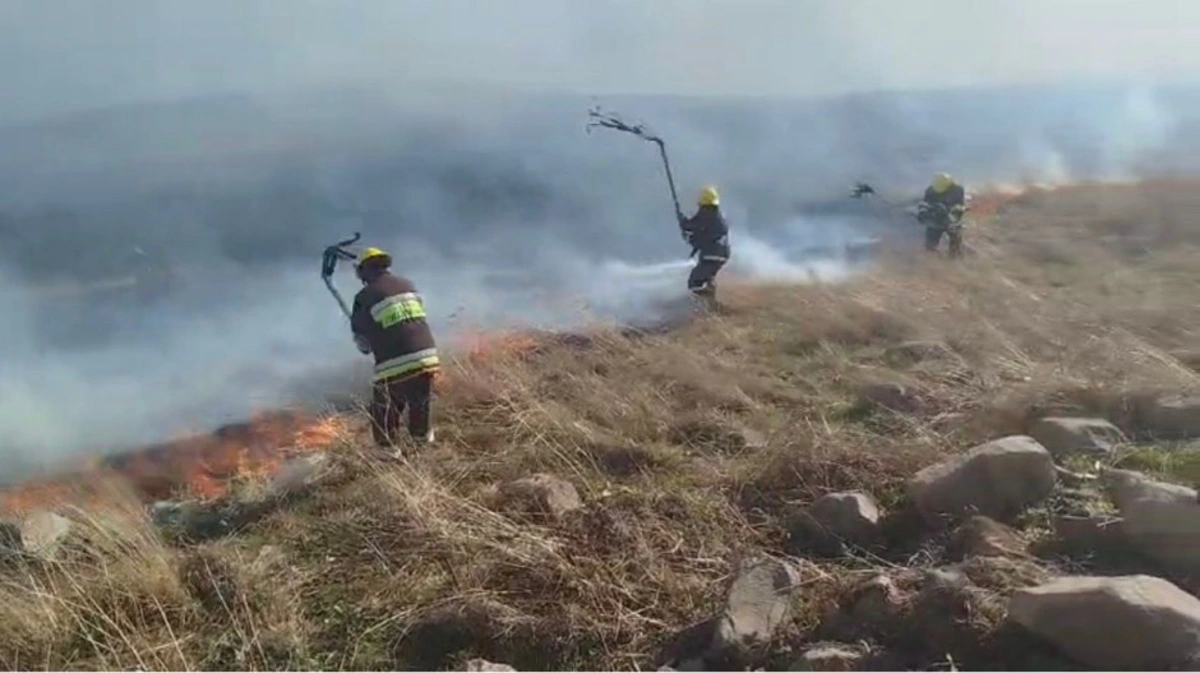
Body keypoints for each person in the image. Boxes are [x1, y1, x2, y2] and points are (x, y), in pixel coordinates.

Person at [349, 247, 440, 449]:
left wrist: (365, 339)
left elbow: (363, 344)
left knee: (384, 410)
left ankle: (388, 454)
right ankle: (422, 445)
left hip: (396, 362)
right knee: (419, 403)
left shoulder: (364, 297)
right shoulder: (408, 285)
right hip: (427, 355)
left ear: (364, 271)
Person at [678, 185, 731, 302]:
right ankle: (711, 303)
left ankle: (704, 302)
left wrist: (682, 220)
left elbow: (690, 226)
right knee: (707, 277)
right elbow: (703, 235)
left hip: (711, 254)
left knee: (694, 282)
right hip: (723, 255)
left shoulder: (706, 213)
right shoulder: (717, 216)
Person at [918, 173, 967, 258]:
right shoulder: (930, 190)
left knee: (955, 235)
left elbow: (960, 205)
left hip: (952, 217)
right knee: (931, 240)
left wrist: (949, 211)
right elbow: (925, 203)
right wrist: (923, 212)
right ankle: (931, 255)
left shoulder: (957, 190)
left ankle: (955, 256)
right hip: (935, 217)